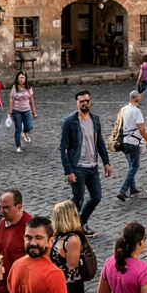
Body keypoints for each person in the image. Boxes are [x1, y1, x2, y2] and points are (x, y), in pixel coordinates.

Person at [60, 89, 111, 234]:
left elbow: (99, 142)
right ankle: (66, 225)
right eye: (81, 101)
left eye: (87, 101)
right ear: (77, 103)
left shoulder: (95, 120)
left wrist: (106, 162)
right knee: (78, 199)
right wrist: (68, 170)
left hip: (92, 167)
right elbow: (62, 148)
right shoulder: (69, 122)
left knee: (96, 197)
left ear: (90, 102)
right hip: (77, 167)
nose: (84, 104)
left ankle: (81, 222)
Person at [49, 201, 88, 293]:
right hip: (57, 283)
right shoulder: (57, 237)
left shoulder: (72, 240)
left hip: (69, 286)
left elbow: (72, 267)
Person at [115, 91, 147, 202]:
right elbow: (142, 129)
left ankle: (132, 188)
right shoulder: (136, 111)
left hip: (123, 141)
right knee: (135, 166)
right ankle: (123, 190)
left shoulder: (124, 109)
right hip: (133, 142)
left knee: (131, 165)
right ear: (137, 98)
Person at [8, 71, 38, 153]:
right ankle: (18, 146)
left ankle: (24, 132)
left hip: (27, 110)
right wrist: (10, 112)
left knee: (29, 126)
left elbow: (32, 101)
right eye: (19, 78)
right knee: (18, 128)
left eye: (22, 78)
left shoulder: (29, 88)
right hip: (17, 110)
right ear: (17, 79)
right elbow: (11, 99)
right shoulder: (15, 88)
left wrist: (34, 113)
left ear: (25, 78)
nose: (21, 79)